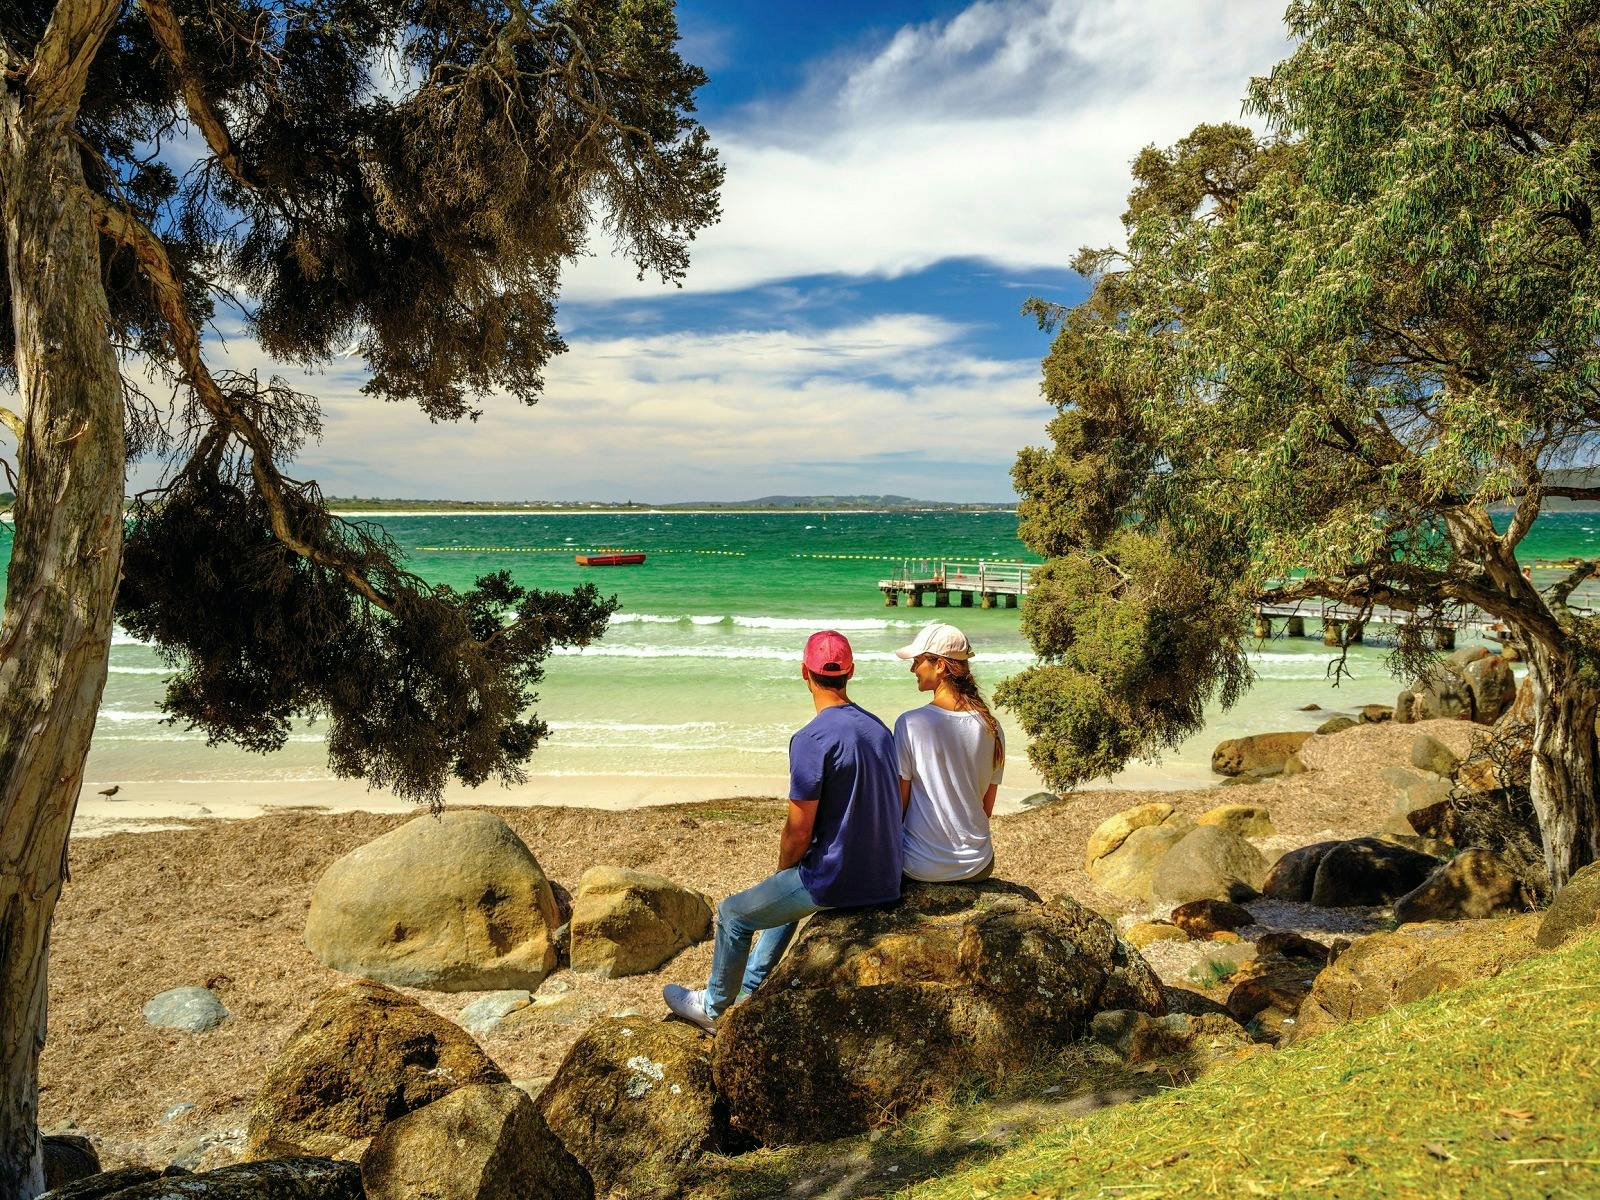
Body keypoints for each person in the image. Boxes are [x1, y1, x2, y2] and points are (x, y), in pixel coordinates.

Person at [663, 630, 902, 1032]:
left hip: (840, 883)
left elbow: (798, 830)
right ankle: (752, 987)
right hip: (885, 876)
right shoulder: (878, 728)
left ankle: (715, 1008)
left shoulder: (812, 739)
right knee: (788, 891)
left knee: (733, 914)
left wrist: (782, 870)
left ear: (804, 673)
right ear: (851, 672)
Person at [893, 622, 1005, 883]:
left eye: (918, 661)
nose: (913, 669)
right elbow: (986, 808)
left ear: (940, 666)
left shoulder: (910, 723)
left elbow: (900, 805)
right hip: (977, 866)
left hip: (919, 866)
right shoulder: (992, 726)